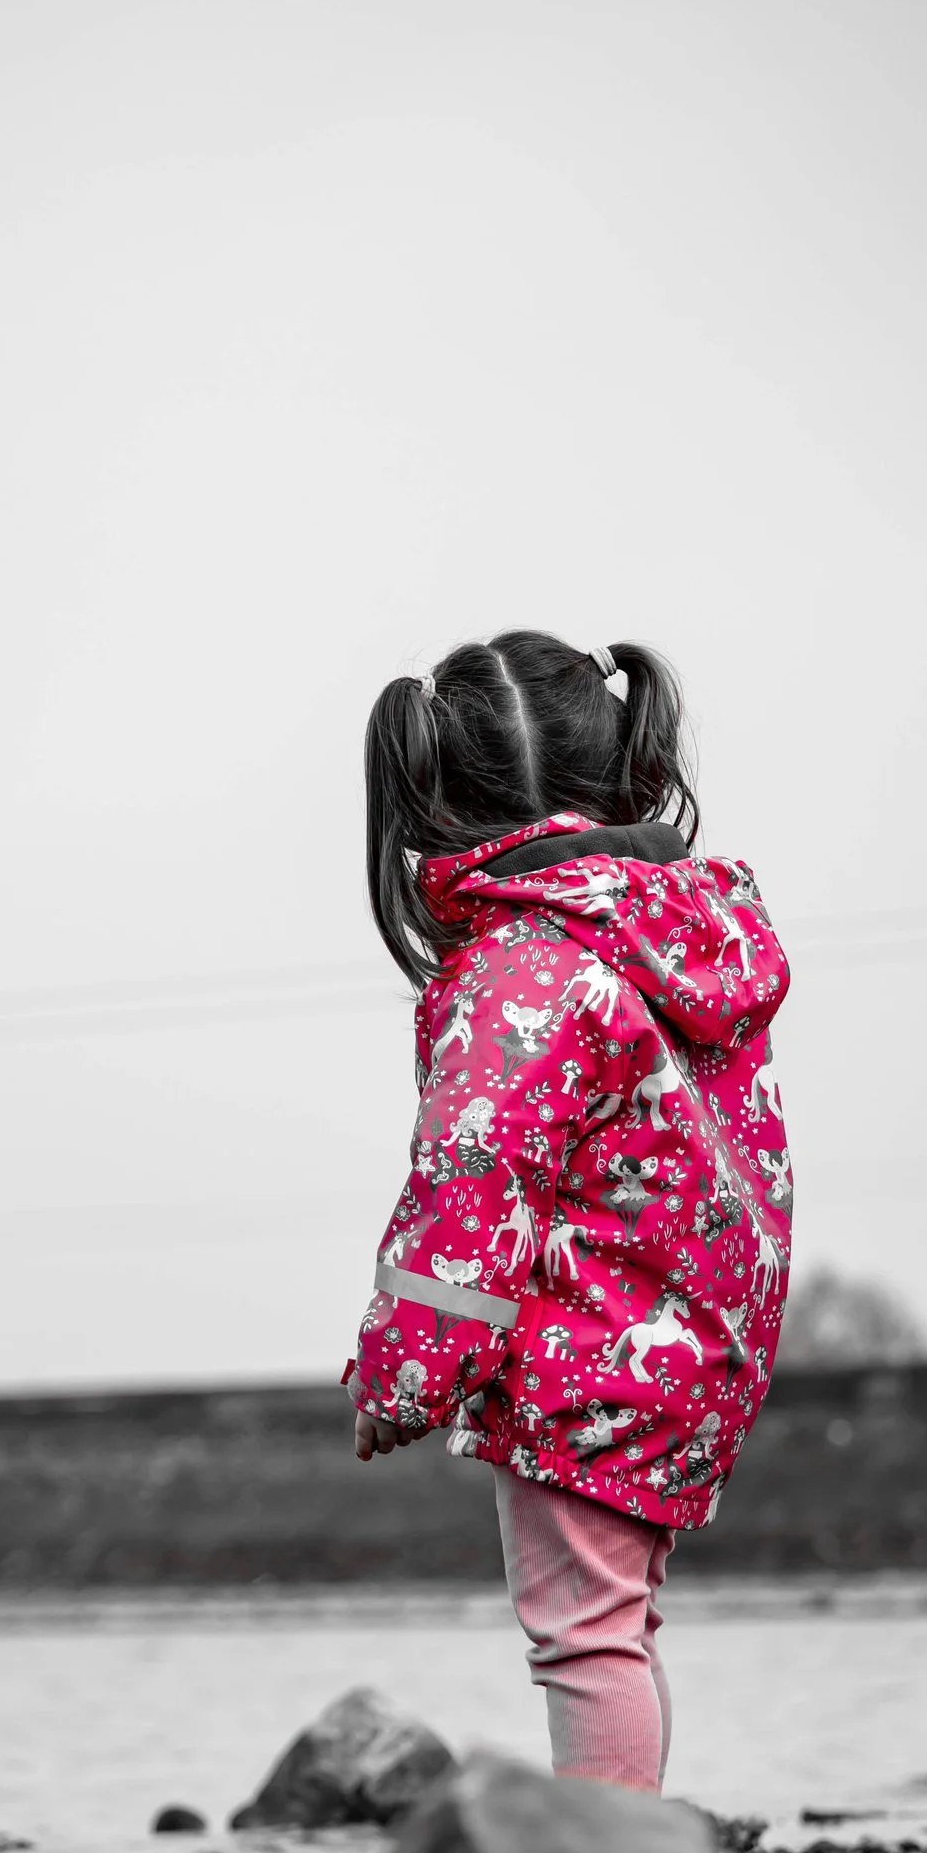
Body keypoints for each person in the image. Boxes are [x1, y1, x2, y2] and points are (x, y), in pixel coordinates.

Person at [346, 631, 792, 1791]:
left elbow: (470, 1179)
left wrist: (405, 1373)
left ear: (430, 796)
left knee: (583, 1638)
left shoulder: (524, 969)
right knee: (620, 1629)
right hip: (691, 1338)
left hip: (585, 1350)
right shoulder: (671, 937)